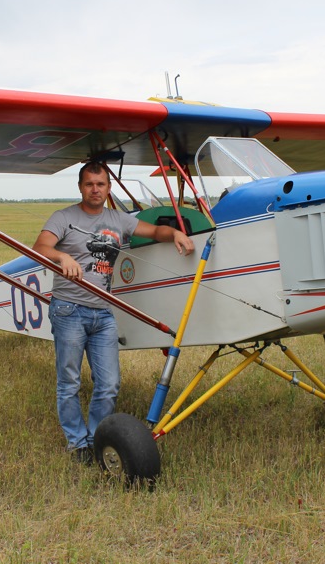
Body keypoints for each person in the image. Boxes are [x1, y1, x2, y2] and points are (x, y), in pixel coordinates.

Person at [33, 162, 195, 464]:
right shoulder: (64, 218)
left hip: (103, 313)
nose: (95, 189)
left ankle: (96, 439)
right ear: (81, 187)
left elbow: (155, 230)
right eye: (89, 184)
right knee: (69, 382)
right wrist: (61, 255)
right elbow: (41, 247)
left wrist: (173, 233)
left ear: (108, 188)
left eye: (101, 184)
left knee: (109, 384)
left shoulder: (118, 219)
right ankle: (77, 443)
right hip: (69, 310)